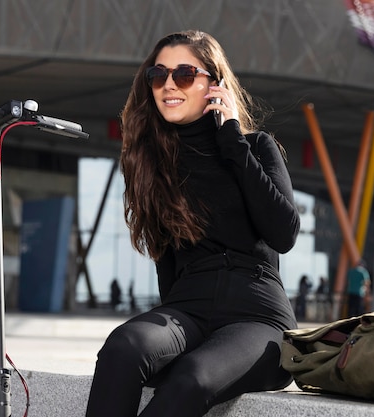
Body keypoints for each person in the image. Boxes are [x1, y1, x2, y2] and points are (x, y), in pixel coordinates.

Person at [85, 30, 300, 417]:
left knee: (192, 378)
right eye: (158, 75)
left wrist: (232, 139)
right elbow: (166, 264)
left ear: (213, 84)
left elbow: (283, 234)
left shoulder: (255, 148)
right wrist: (163, 342)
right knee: (123, 347)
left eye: (184, 74)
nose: (169, 84)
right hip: (187, 308)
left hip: (258, 316)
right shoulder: (154, 167)